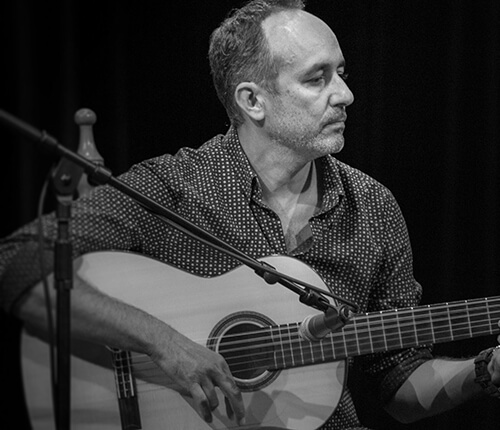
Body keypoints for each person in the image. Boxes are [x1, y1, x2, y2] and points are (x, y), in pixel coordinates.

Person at [1, 0, 499, 429]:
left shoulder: (372, 206)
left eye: (341, 73)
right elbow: (17, 262)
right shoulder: (175, 186)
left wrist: (484, 371)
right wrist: (164, 344)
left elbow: (399, 381)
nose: (345, 94)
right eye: (316, 78)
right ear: (252, 100)